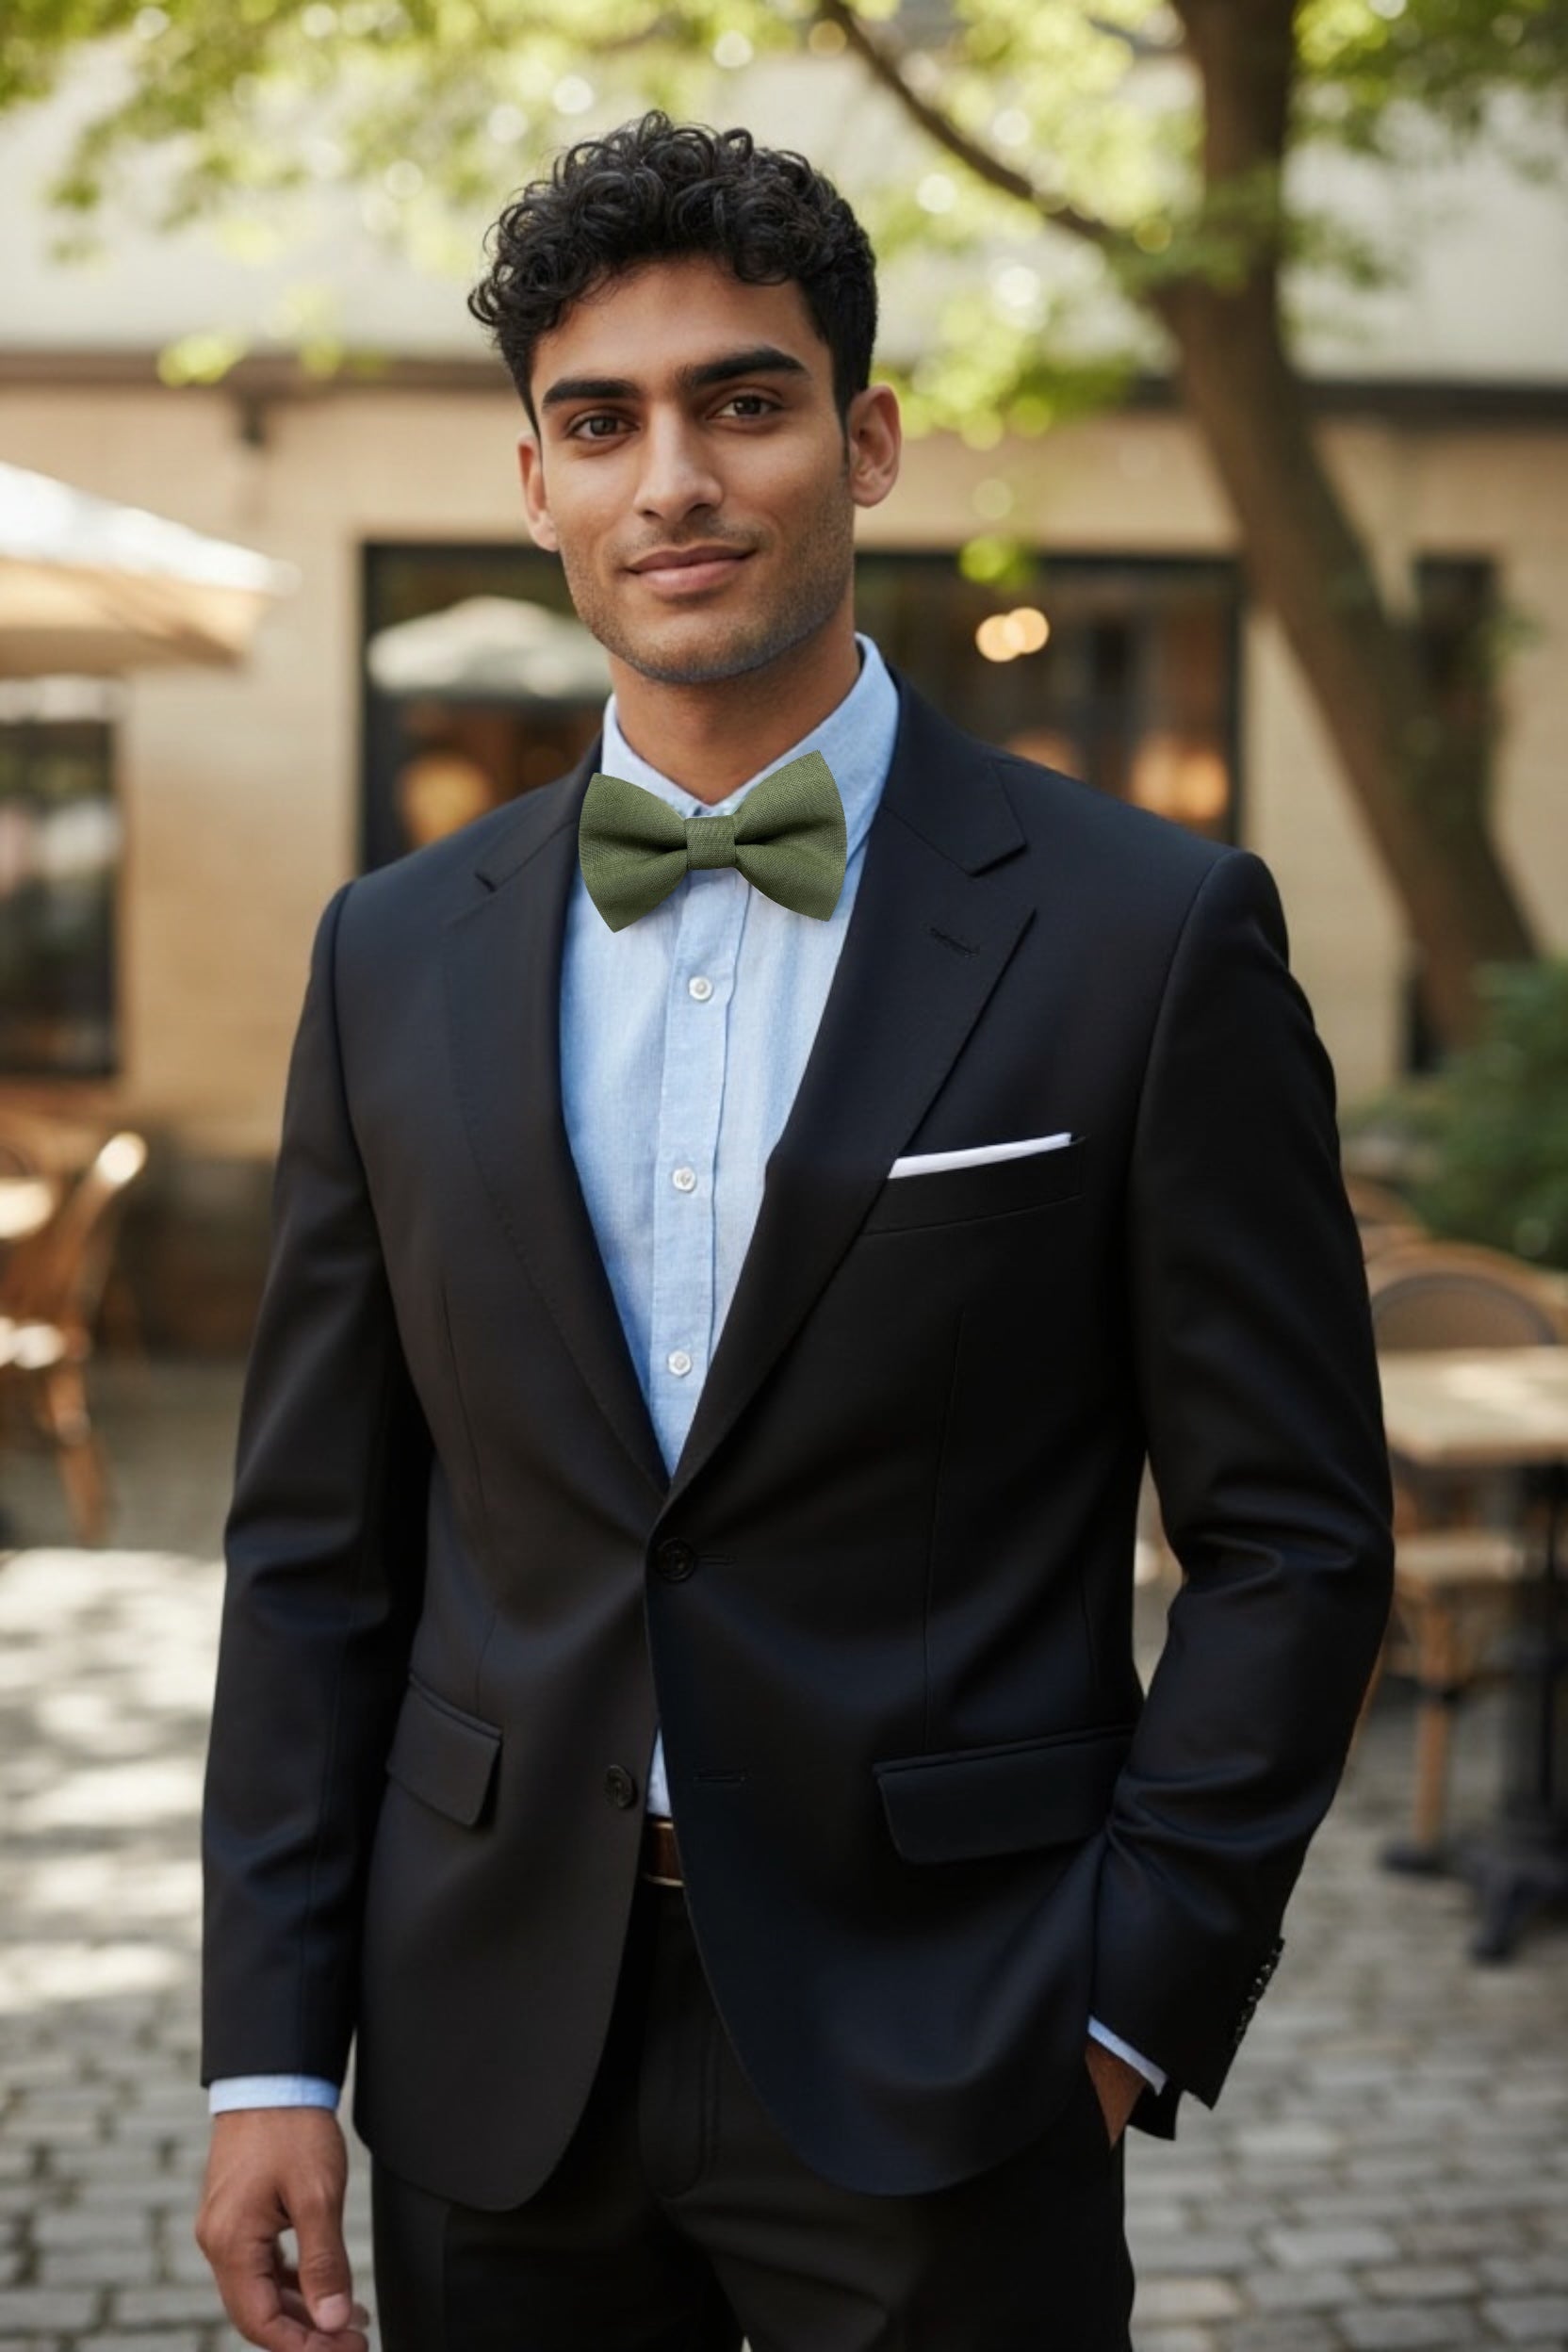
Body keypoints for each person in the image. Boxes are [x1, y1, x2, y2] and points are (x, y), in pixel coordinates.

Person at [196, 106, 1394, 2352]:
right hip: (486, 2043)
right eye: (602, 421)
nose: (675, 478)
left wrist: (1131, 1995)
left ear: (865, 445)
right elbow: (313, 1548)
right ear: (533, 481)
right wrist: (271, 2050)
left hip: (959, 2043)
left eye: (742, 403)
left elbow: (1297, 1534)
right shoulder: (387, 952)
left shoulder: (1148, 937)